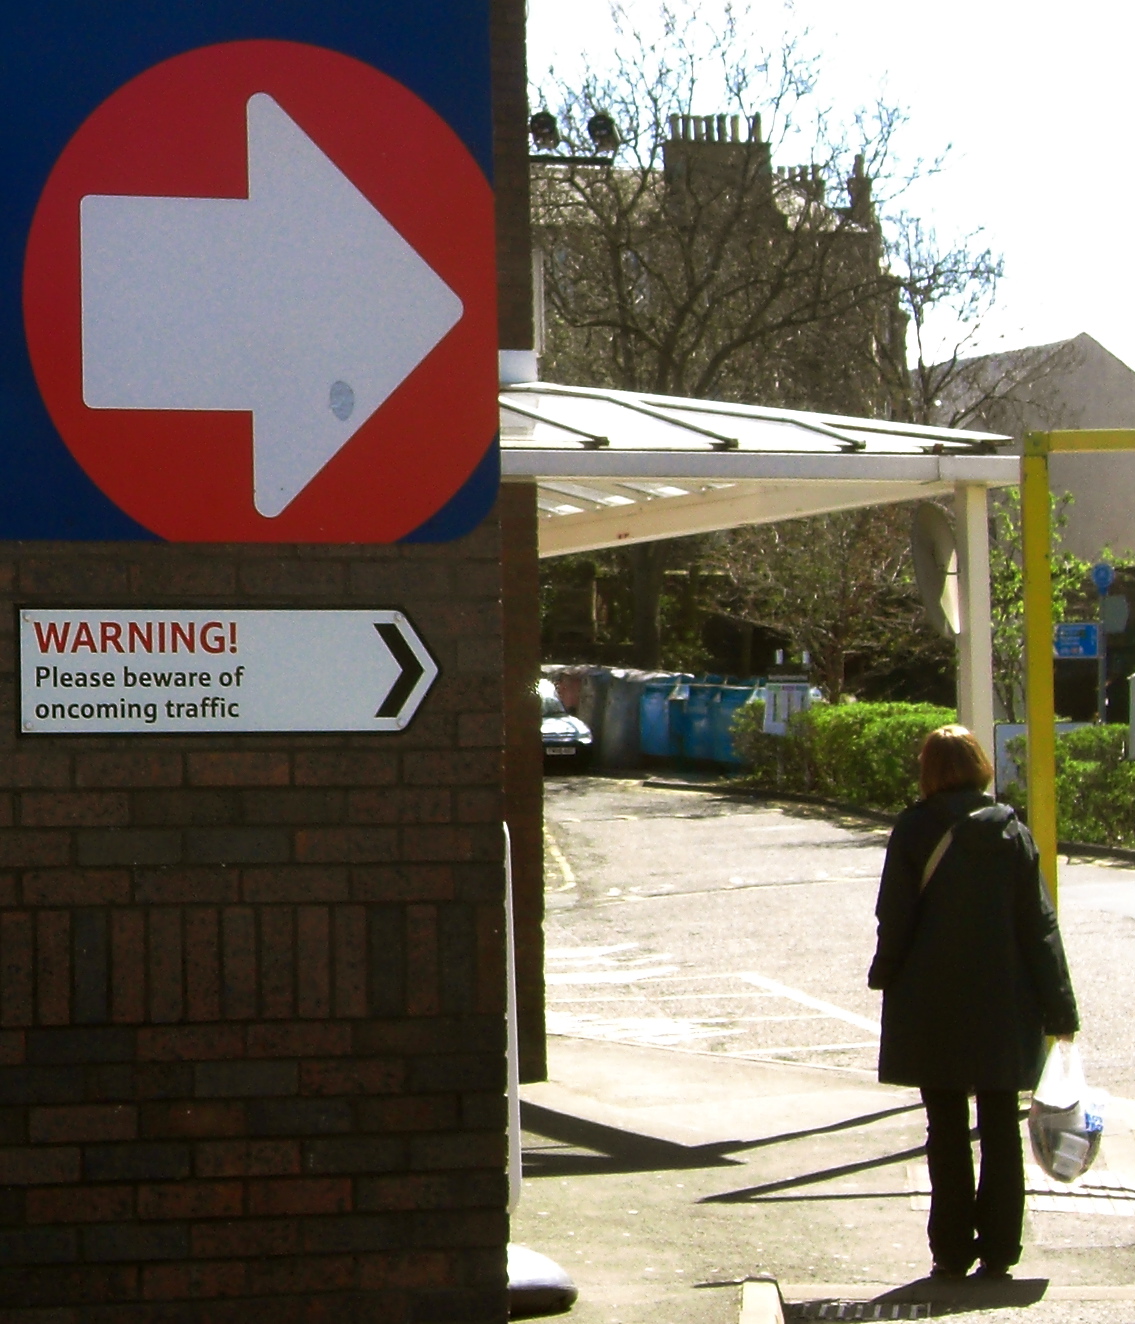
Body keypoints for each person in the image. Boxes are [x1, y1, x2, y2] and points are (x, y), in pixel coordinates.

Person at [867, 724, 1079, 1281]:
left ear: (930, 770)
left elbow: (896, 917)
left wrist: (884, 973)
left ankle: (952, 1248)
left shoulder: (913, 830)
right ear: (981, 765)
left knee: (945, 1126)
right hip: (1005, 1002)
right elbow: (1039, 926)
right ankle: (1002, 1249)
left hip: (931, 1001)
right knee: (1001, 1127)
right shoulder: (1013, 833)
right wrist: (1061, 1010)